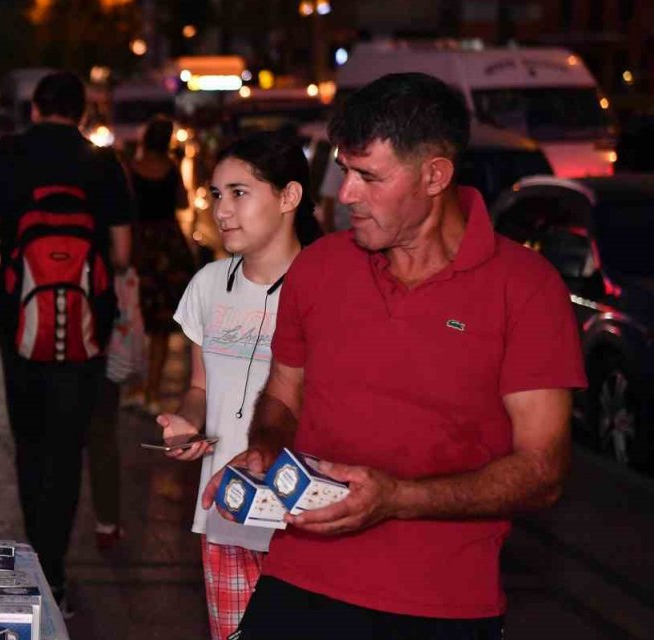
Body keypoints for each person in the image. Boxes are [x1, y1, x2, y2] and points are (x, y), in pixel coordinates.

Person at [201, 73, 585, 638]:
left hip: (442, 607)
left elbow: (542, 472)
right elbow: (283, 393)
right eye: (344, 171)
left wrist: (399, 499)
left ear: (435, 175)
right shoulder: (318, 267)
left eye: (368, 176)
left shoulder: (525, 287)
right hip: (297, 581)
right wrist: (265, 448)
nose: (346, 194)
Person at [0, 70, 135, 614]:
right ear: (82, 113)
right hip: (87, 327)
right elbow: (122, 255)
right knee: (68, 447)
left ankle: (37, 561)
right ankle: (55, 573)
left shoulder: (8, 155)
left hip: (20, 320)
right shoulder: (104, 163)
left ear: (35, 109)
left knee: (30, 444)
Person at [157, 132, 322, 639]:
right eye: (217, 195)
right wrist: (188, 423)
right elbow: (200, 388)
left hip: (302, 519)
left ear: (289, 197)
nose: (222, 210)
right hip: (225, 509)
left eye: (239, 193)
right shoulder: (208, 284)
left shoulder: (327, 289)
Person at [127, 116, 195, 414]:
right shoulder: (171, 169)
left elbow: (127, 207)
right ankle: (153, 391)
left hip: (141, 247)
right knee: (161, 326)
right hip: (169, 248)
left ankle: (138, 388)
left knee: (137, 321)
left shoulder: (132, 169)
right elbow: (183, 203)